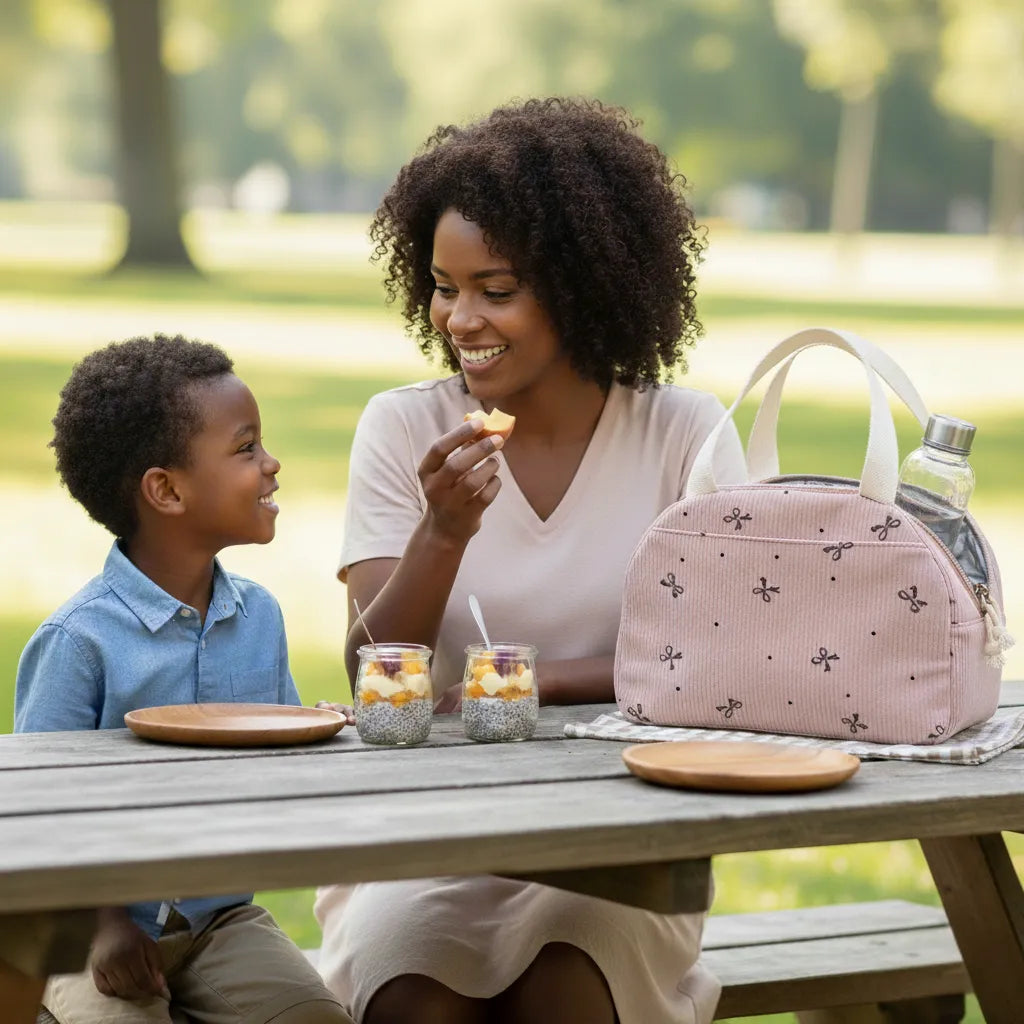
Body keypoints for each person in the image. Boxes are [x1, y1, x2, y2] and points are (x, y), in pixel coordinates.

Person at [314, 98, 747, 1024]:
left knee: (565, 997)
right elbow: (372, 676)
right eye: (443, 285)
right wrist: (441, 533)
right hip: (428, 836)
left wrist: (513, 685)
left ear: (585, 286)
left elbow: (713, 669)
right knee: (413, 1003)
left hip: (623, 840)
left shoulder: (684, 437)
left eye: (496, 289)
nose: (459, 318)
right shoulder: (403, 428)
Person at [15, 335, 353, 1024]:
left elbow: (277, 764)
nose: (272, 464)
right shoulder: (78, 642)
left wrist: (319, 733)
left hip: (217, 921)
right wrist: (107, 924)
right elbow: (36, 822)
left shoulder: (258, 616)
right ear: (165, 490)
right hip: (83, 927)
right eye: (246, 448)